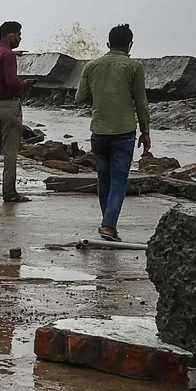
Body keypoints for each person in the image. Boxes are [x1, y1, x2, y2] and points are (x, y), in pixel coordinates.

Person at [75, 24, 150, 241]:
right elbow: (141, 102)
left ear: (108, 43)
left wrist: (100, 96)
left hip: (99, 130)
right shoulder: (134, 67)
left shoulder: (92, 66)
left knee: (103, 178)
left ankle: (108, 224)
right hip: (124, 131)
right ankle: (108, 226)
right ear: (130, 45)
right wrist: (145, 131)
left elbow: (80, 98)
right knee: (118, 179)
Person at [0, 21, 34, 202]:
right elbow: (11, 81)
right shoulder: (7, 55)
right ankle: (9, 192)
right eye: (18, 35)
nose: (19, 38)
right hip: (8, 106)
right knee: (10, 151)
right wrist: (24, 85)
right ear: (11, 35)